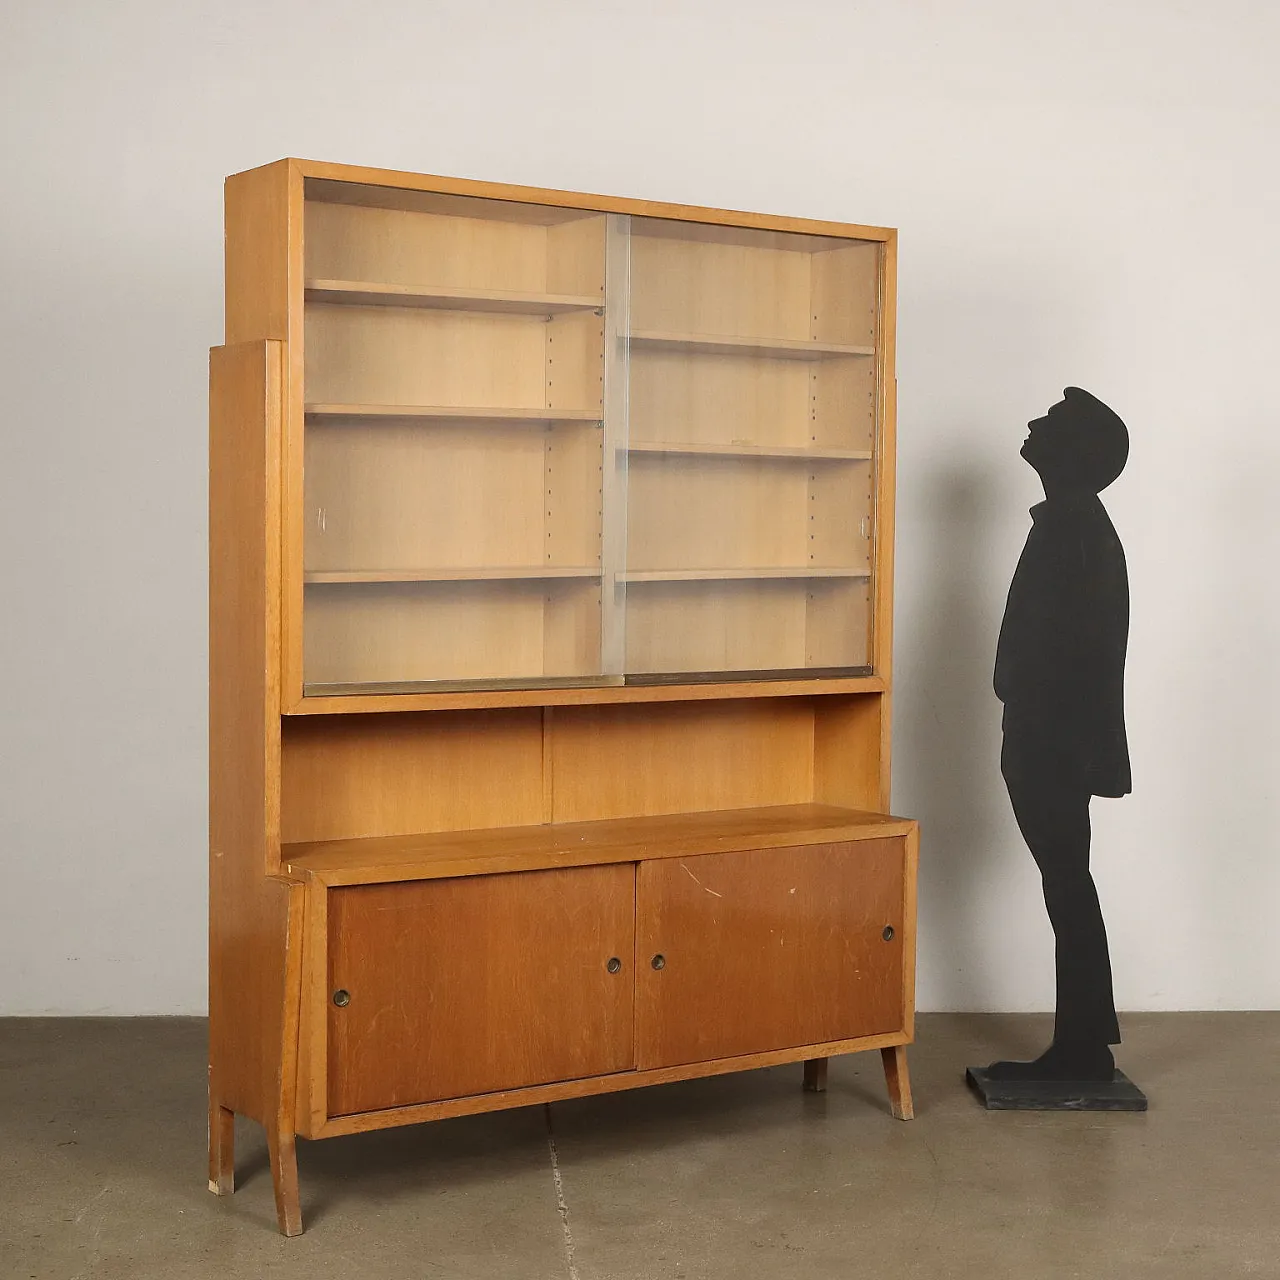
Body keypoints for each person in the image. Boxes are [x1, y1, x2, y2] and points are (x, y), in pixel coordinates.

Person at [986, 387, 1131, 1082]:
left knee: (1067, 883)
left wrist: (1022, 700)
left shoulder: (1073, 528)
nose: (1032, 422)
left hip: (1053, 743)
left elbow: (1080, 652)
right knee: (1067, 883)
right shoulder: (1072, 523)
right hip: (1052, 739)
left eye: (1049, 422)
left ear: (1071, 453)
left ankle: (1082, 1048)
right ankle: (1085, 1040)